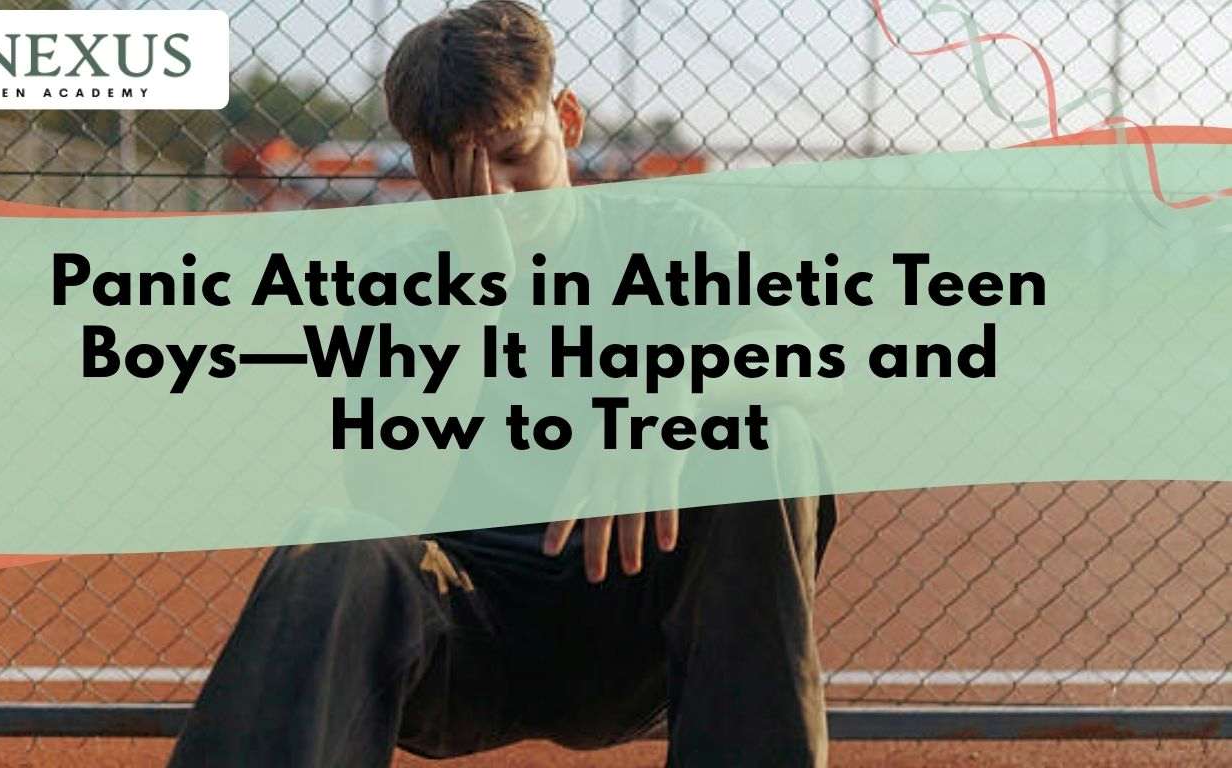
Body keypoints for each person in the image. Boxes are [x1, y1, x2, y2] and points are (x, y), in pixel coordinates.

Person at [168, 3, 837, 765]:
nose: (500, 197)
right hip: (469, 639)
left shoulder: (667, 238)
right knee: (333, 545)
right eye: (461, 170)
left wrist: (674, 392)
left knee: (772, 433)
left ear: (568, 119)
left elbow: (807, 359)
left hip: (632, 621)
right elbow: (389, 502)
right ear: (422, 167)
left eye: (517, 153)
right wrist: (472, 299)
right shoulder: (396, 280)